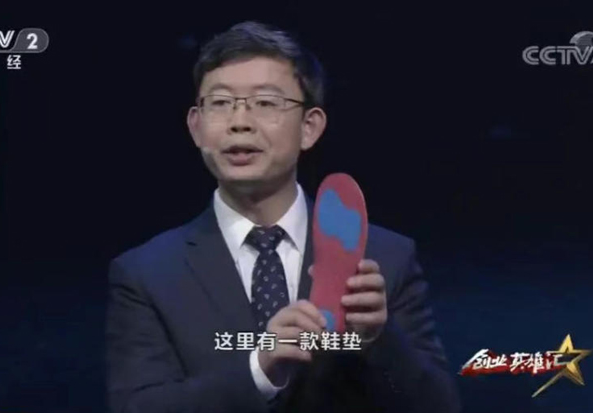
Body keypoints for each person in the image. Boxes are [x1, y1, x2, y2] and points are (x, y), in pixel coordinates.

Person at [105, 21, 461, 413]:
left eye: (265, 103)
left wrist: (379, 339)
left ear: (309, 127)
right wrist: (259, 370)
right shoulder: (147, 273)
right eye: (220, 103)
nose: (240, 121)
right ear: (196, 126)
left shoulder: (384, 258)